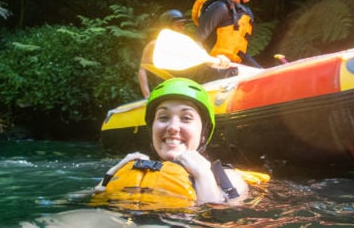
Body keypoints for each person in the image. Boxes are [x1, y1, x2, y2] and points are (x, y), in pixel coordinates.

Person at [92, 77, 260, 208]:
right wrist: (110, 177)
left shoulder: (227, 179)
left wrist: (203, 176)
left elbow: (214, 225)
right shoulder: (131, 169)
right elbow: (90, 208)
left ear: (203, 133)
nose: (173, 127)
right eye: (163, 117)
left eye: (186, 118)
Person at [192, 0, 263, 79]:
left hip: (233, 71)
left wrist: (261, 71)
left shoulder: (245, 13)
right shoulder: (220, 8)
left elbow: (241, 54)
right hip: (211, 73)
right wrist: (212, 61)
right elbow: (196, 42)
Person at [138, 9, 187, 98]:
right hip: (164, 91)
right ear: (167, 27)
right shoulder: (154, 45)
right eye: (178, 25)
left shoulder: (185, 44)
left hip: (185, 89)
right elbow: (143, 70)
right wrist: (147, 96)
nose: (182, 28)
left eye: (183, 25)